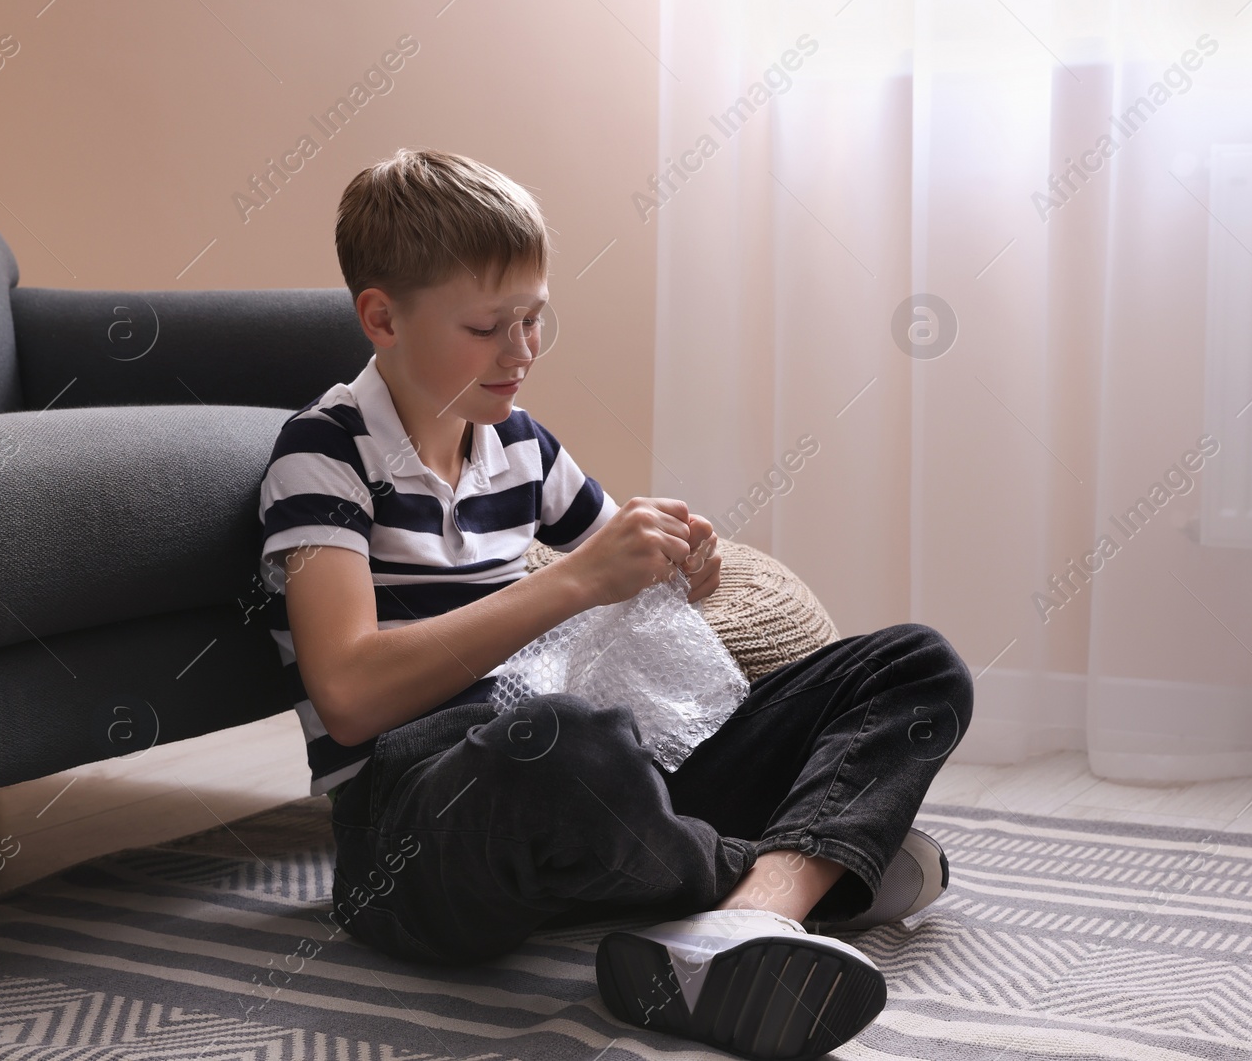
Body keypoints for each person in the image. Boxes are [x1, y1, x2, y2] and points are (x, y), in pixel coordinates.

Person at [255, 147, 975, 1060]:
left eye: (535, 319)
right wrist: (574, 580)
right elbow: (350, 692)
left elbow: (627, 573)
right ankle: (815, 867)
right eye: (488, 327)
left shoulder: (518, 442)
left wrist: (685, 562)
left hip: (606, 794)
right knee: (562, 736)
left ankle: (746, 917)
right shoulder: (321, 453)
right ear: (382, 317)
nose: (522, 352)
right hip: (417, 824)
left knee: (916, 663)